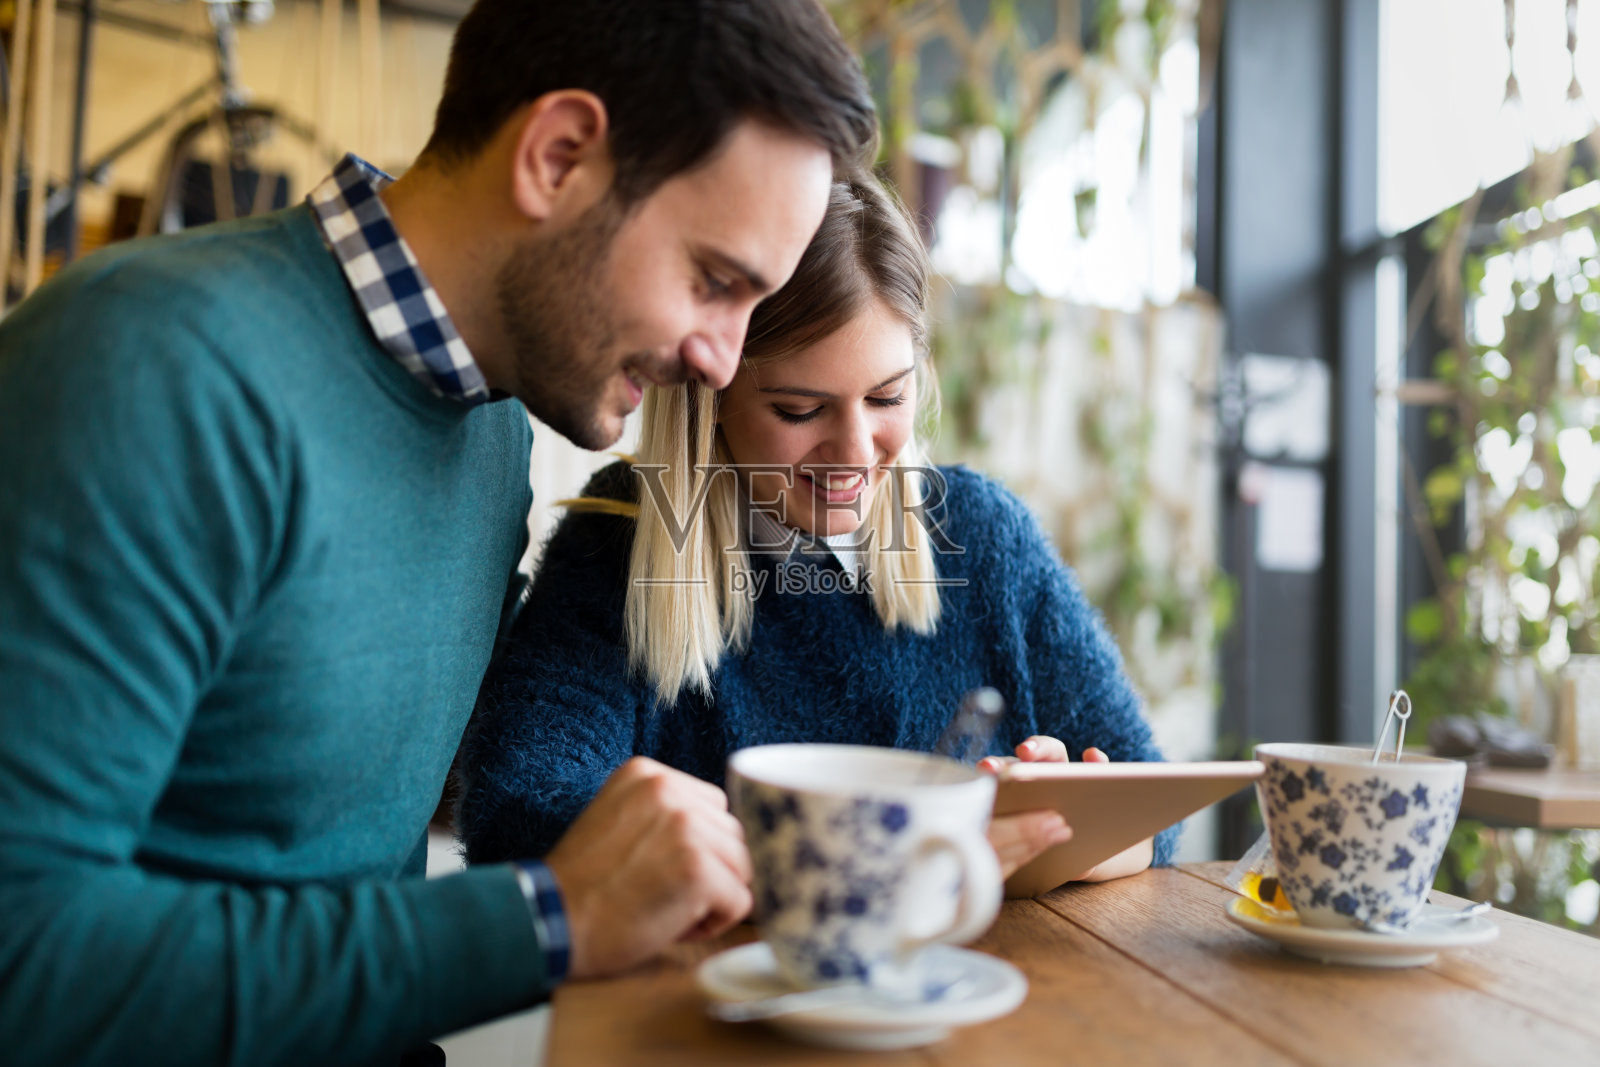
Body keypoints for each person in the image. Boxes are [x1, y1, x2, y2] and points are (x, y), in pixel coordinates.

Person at [0, 2, 875, 1064]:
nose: (722, 362)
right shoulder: (151, 367)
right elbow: (28, 957)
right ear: (557, 157)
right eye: (714, 280)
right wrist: (549, 919)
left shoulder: (495, 419)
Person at [459, 173, 1179, 887]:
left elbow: (1156, 803)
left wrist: (1070, 827)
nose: (857, 453)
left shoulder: (982, 535)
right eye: (801, 410)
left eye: (886, 396)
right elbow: (517, 819)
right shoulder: (620, 541)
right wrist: (875, 859)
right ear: (712, 391)